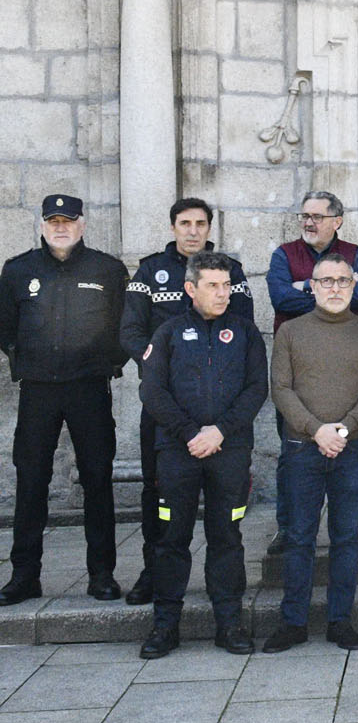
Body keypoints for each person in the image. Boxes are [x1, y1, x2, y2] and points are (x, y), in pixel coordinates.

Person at [0, 194, 128, 606]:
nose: (60, 227)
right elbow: (5, 328)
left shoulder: (107, 270)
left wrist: (104, 363)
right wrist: (27, 361)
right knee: (31, 479)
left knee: (97, 478)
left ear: (82, 224)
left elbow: (124, 328)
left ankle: (102, 574)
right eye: (53, 220)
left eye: (68, 220)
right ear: (41, 225)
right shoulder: (18, 270)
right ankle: (24, 575)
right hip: (38, 390)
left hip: (89, 389)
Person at [137, 252, 267, 659]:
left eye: (226, 285)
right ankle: (165, 626)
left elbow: (256, 390)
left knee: (226, 537)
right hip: (178, 453)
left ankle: (229, 623)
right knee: (171, 538)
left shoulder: (246, 333)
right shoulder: (169, 333)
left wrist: (220, 431)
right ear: (191, 289)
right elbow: (152, 392)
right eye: (213, 285)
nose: (222, 293)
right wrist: (192, 433)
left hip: (228, 453)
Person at [265, 254, 358, 653]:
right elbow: (281, 389)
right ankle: (293, 621)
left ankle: (340, 620)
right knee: (299, 536)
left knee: (346, 536)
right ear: (311, 286)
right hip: (302, 447)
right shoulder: (290, 333)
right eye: (326, 281)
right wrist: (316, 429)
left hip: (350, 448)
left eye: (342, 281)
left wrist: (345, 427)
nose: (334, 288)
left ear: (354, 286)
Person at [268, 191, 358, 556]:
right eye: (305, 216)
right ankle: (288, 527)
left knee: (348, 454)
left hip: (348, 369)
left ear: (337, 220)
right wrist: (330, 292)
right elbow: (279, 298)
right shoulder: (284, 254)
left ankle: (349, 526)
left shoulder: (356, 253)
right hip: (299, 370)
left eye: (317, 216)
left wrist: (305, 288)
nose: (308, 222)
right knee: (290, 452)